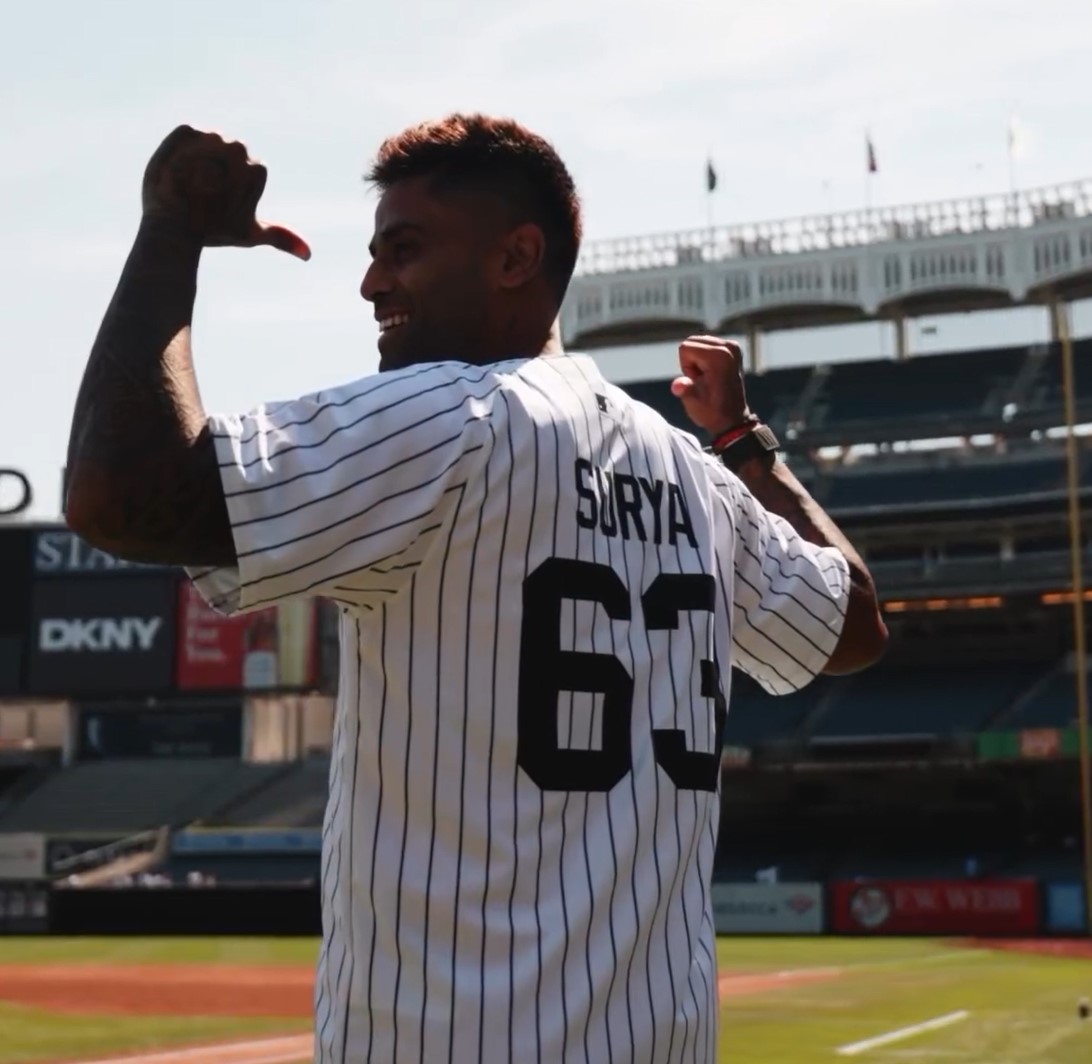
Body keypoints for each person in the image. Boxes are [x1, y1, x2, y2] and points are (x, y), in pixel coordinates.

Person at [65, 114, 887, 1064]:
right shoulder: (692, 476)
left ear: (516, 258)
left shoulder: (449, 418)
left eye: (404, 252)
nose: (372, 283)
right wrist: (744, 445)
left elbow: (116, 496)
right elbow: (854, 625)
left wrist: (170, 232)